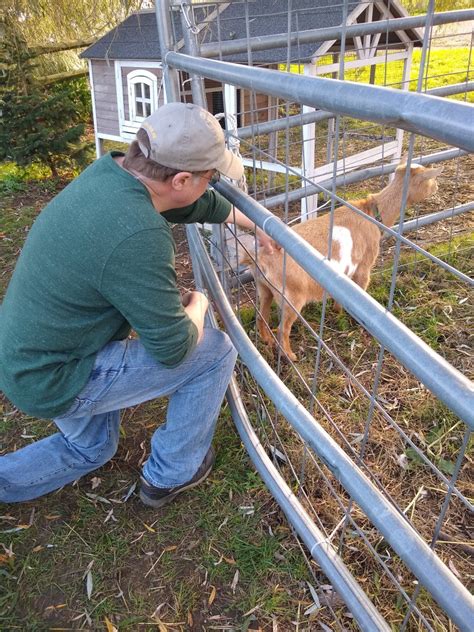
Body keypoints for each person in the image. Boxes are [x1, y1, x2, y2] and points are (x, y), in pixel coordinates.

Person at [0, 102, 273, 507]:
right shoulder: (137, 236)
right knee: (214, 353)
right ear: (181, 178)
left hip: (25, 355)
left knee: (93, 449)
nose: (212, 183)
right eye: (211, 177)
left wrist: (248, 219)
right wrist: (198, 304)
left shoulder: (110, 171)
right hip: (54, 374)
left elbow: (181, 202)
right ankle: (172, 473)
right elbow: (174, 348)